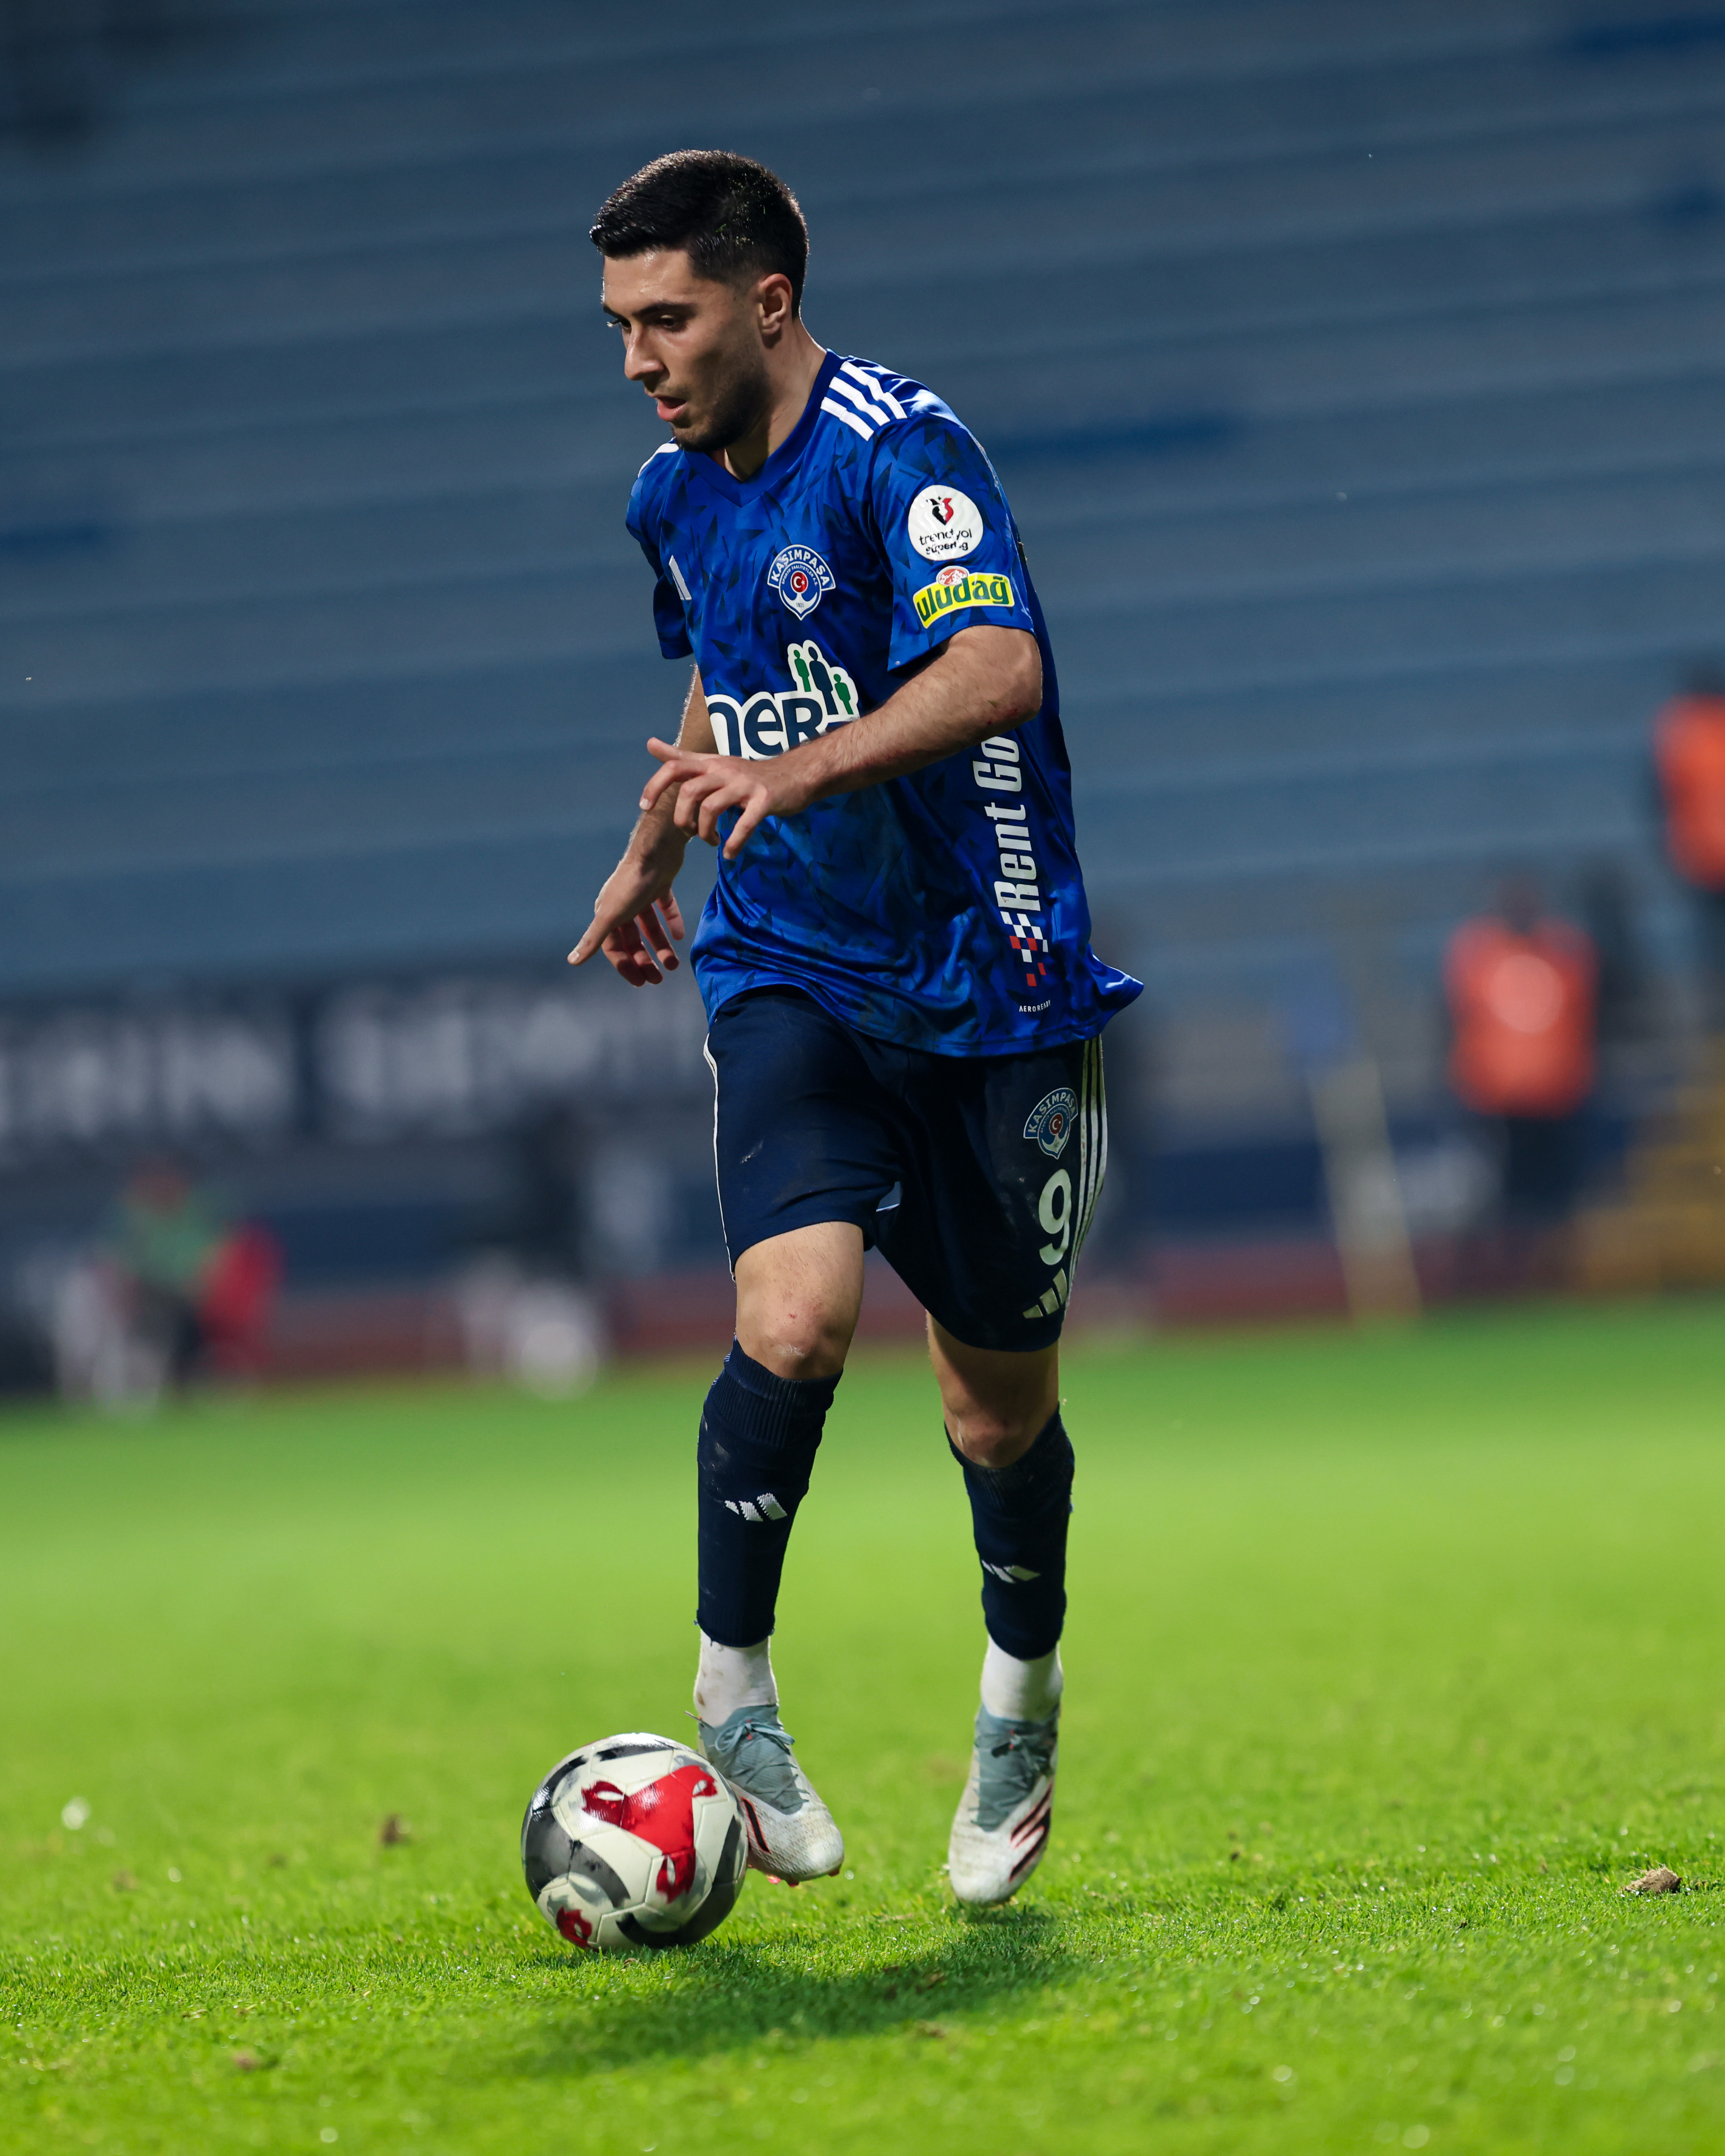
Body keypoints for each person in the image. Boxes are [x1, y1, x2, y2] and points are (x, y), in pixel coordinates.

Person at [568, 152, 1139, 1905]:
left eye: (666, 319)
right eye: (619, 325)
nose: (638, 357)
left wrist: (797, 769)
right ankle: (730, 1688)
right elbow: (725, 663)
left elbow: (997, 671)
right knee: (794, 1318)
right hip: (789, 962)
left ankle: (1020, 1704)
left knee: (994, 1413)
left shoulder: (904, 451)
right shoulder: (673, 491)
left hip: (990, 982)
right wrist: (655, 844)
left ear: (767, 302)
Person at [1442, 878, 1597, 1239]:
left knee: (1557, 1190)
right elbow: (1456, 1018)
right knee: (1510, 1192)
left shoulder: (1563, 950)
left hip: (1557, 1092)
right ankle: (1515, 1254)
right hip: (1499, 1097)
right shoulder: (1478, 953)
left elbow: (1590, 1012)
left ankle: (1555, 1251)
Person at [1652, 666, 1725, 1032]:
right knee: (1710, 942)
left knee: (1711, 943)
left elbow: (1660, 798)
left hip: (1700, 855)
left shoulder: (1678, 732)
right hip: (1702, 857)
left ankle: (1715, 1012)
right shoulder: (1681, 733)